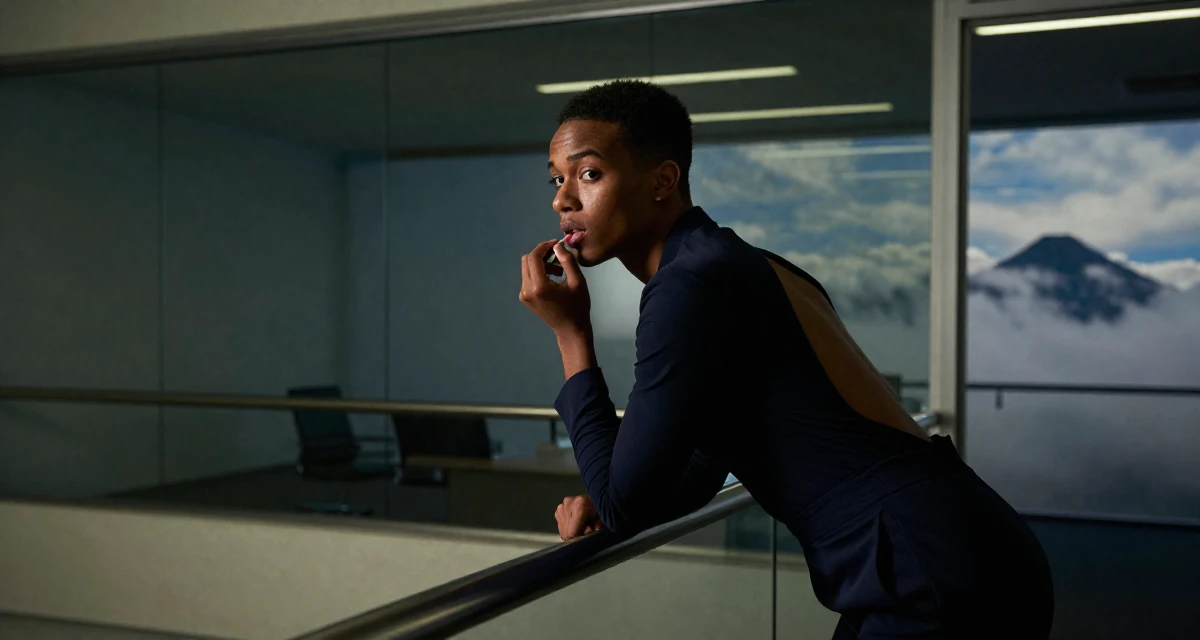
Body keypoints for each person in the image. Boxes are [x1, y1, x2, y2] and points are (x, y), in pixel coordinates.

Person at [518, 80, 1053, 639]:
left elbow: (626, 503)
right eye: (557, 179)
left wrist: (572, 335)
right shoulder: (736, 263)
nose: (562, 199)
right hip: (952, 552)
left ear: (662, 180)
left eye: (588, 174)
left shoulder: (689, 285)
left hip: (923, 573)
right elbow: (698, 465)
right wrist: (618, 492)